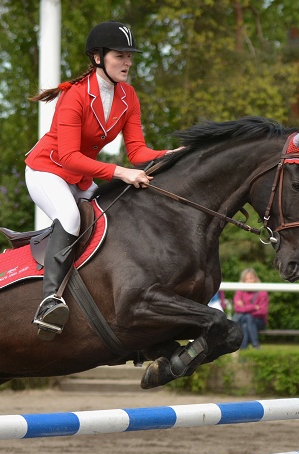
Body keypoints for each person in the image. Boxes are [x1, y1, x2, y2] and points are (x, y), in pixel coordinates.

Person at [24, 21, 181, 337]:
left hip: (80, 179)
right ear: (98, 57)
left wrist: (174, 154)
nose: (128, 62)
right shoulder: (75, 97)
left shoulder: (128, 96)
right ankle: (49, 300)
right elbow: (68, 157)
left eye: (129, 56)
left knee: (112, 217)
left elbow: (137, 152)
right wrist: (120, 172)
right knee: (69, 217)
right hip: (46, 171)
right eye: (121, 56)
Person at [233, 268, 269, 350]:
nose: (249, 281)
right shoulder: (240, 291)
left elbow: (263, 311)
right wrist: (253, 307)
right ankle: (256, 345)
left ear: (255, 279)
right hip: (243, 319)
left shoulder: (262, 292)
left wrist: (245, 308)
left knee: (246, 323)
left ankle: (243, 351)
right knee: (247, 319)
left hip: (258, 321)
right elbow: (237, 308)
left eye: (251, 278)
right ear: (243, 281)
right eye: (246, 279)